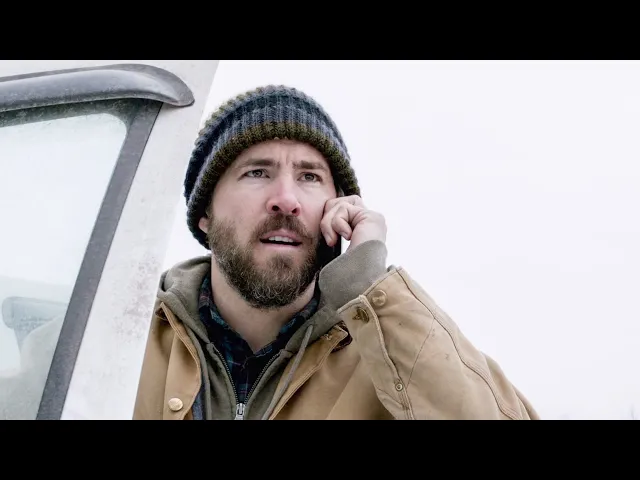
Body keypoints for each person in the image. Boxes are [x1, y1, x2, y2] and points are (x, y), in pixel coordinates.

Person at [133, 85, 539, 420]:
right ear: (204, 213)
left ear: (339, 207)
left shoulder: (389, 354)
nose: (286, 199)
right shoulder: (122, 335)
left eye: (309, 176)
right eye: (257, 172)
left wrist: (369, 283)